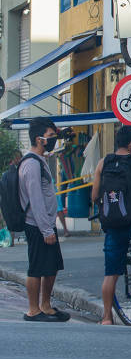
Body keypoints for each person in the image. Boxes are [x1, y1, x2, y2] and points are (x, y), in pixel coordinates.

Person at [91, 125, 131, 325]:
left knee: (110, 273)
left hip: (114, 225)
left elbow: (94, 196)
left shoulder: (103, 163)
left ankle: (107, 317)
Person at [19, 118, 69, 322]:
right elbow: (36, 199)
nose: (53, 140)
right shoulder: (31, 164)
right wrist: (46, 230)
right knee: (37, 267)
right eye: (50, 136)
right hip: (37, 225)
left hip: (46, 224)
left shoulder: (41, 160)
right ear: (39, 139)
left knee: (52, 266)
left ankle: (46, 306)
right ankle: (33, 310)